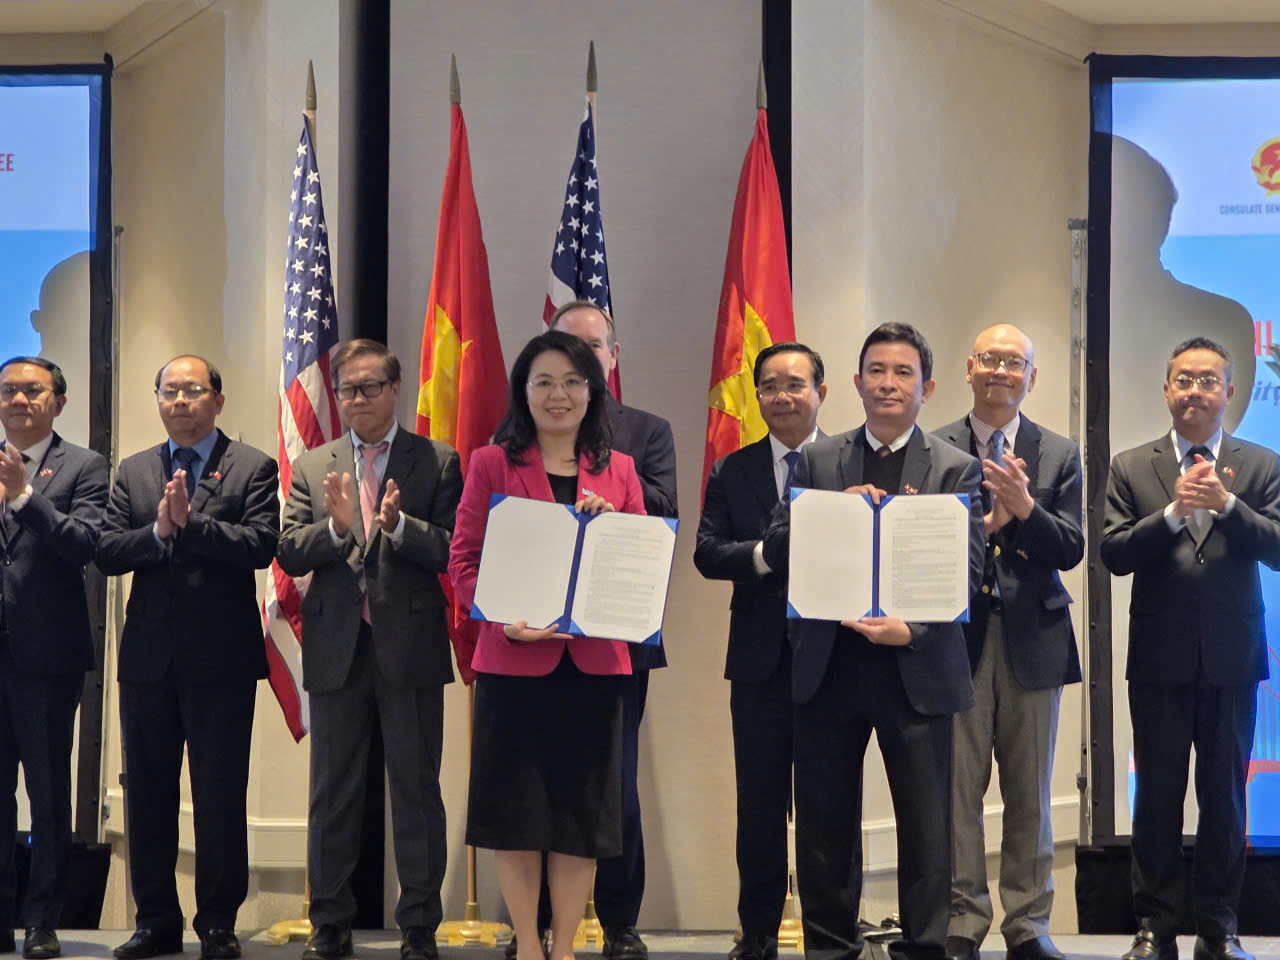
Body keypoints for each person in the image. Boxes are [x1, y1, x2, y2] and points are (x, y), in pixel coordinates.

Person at [761, 322, 984, 960]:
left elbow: (967, 572)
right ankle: (831, 948)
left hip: (916, 666)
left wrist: (911, 629)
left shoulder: (957, 467)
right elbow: (778, 547)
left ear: (927, 387)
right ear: (857, 383)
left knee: (926, 825)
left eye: (903, 372)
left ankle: (924, 947)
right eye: (877, 371)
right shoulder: (817, 460)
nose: (889, 383)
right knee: (824, 824)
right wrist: (833, 513)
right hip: (829, 664)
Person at [448, 330, 645, 960]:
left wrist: (615, 530)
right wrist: (501, 620)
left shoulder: (620, 470)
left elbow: (638, 567)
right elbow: (463, 561)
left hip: (593, 668)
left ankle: (564, 949)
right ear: (524, 393)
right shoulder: (491, 463)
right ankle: (530, 946)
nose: (559, 395)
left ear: (592, 391)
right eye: (544, 383)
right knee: (517, 816)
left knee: (580, 819)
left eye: (572, 382)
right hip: (513, 666)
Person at [277, 339, 462, 960]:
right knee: (333, 792)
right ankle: (330, 922)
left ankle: (419, 925)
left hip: (410, 646)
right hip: (337, 648)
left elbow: (453, 547)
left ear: (395, 389)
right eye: (348, 390)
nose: (357, 399)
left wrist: (400, 527)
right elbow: (289, 550)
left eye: (370, 387)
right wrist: (335, 528)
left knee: (416, 789)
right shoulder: (314, 465)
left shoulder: (435, 460)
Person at [1102, 337, 1280, 960]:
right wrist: (1172, 514)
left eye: (1208, 381)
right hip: (1159, 658)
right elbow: (1113, 552)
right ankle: (1155, 928)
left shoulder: (1261, 465)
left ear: (1229, 391)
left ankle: (1218, 929)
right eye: (1184, 380)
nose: (1195, 391)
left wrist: (1227, 506)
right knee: (1156, 799)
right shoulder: (1132, 465)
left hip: (1232, 659)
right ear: (1166, 390)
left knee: (1225, 801)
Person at [97, 356, 280, 960]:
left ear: (218, 401)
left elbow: (261, 545)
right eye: (169, 391)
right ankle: (155, 920)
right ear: (157, 400)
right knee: (148, 793)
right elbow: (108, 550)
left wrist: (192, 524)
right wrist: (157, 533)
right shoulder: (134, 470)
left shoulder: (252, 466)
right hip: (148, 661)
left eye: (193, 390)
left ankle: (218, 922)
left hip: (222, 662)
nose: (180, 401)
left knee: (220, 795)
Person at [523, 301, 677, 960]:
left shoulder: (645, 432)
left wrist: (614, 504)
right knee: (536, 787)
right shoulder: (523, 431)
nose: (580, 360)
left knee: (612, 786)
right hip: (531, 636)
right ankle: (533, 927)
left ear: (613, 358)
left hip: (615, 636)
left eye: (593, 349)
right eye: (568, 347)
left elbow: (665, 517)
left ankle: (619, 922)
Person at [934, 325, 1083, 960]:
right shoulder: (934, 446)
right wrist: (980, 526)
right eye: (990, 359)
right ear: (969, 368)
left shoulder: (1060, 452)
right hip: (954, 640)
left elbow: (1071, 547)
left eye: (1014, 362)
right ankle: (963, 919)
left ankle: (1027, 924)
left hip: (1034, 640)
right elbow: (926, 545)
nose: (1001, 370)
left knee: (1030, 795)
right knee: (956, 792)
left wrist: (1024, 509)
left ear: (1032, 377)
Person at [694, 341, 827, 960]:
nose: (782, 397)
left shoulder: (847, 461)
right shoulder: (732, 469)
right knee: (760, 808)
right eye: (770, 386)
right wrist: (764, 556)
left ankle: (831, 934)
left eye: (795, 385)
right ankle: (758, 934)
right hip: (757, 662)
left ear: (821, 392)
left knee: (828, 807)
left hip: (833, 659)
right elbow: (706, 552)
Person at [0, 356, 108, 960]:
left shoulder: (84, 466)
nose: (19, 400)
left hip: (46, 657)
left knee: (46, 795)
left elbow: (85, 545)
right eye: (8, 390)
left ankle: (42, 921)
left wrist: (23, 496)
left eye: (32, 390)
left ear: (58, 402)